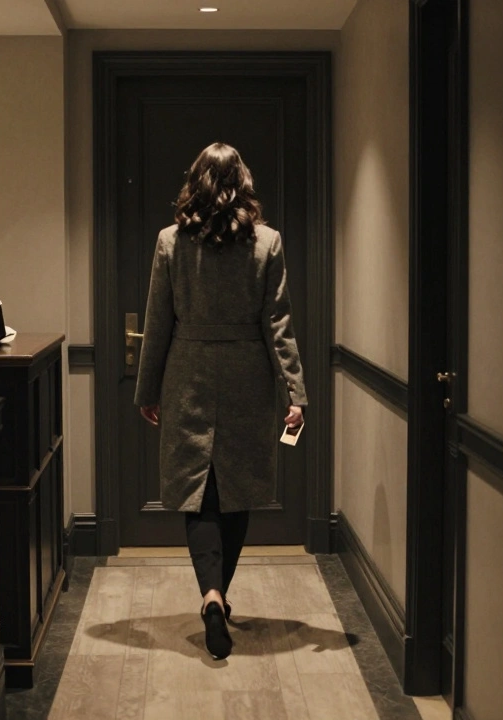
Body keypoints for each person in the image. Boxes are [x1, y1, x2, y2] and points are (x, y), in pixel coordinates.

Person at [133, 142, 307, 661]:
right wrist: (294, 393)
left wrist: (147, 389)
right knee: (236, 490)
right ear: (243, 183)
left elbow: (157, 322)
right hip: (247, 376)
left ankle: (210, 595)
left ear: (195, 181)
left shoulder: (170, 242)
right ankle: (218, 595)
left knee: (197, 491)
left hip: (187, 373)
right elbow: (279, 326)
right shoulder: (267, 242)